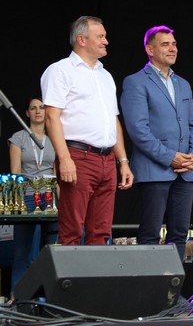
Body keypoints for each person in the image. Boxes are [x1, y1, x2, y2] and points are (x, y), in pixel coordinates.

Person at [41, 15, 133, 245]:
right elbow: (52, 117)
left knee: (101, 232)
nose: (106, 41)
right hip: (78, 155)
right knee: (72, 230)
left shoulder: (105, 75)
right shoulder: (60, 70)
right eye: (100, 36)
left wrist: (123, 161)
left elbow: (113, 120)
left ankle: (97, 271)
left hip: (107, 159)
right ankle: (69, 271)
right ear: (82, 39)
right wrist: (64, 158)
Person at [120, 25, 193, 259]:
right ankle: (150, 283)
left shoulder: (183, 84)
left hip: (185, 171)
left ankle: (174, 283)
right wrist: (170, 157)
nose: (172, 48)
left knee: (180, 234)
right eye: (165, 44)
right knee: (150, 234)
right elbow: (138, 130)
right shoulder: (135, 82)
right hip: (154, 170)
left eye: (174, 44)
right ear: (150, 49)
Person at [8, 96, 57, 298]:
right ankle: (17, 296)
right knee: (23, 250)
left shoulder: (55, 137)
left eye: (42, 107)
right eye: (33, 108)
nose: (38, 111)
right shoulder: (18, 137)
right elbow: (15, 172)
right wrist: (16, 203)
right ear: (27, 113)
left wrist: (62, 202)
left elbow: (58, 172)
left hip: (50, 197)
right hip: (27, 197)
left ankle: (52, 296)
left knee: (53, 249)